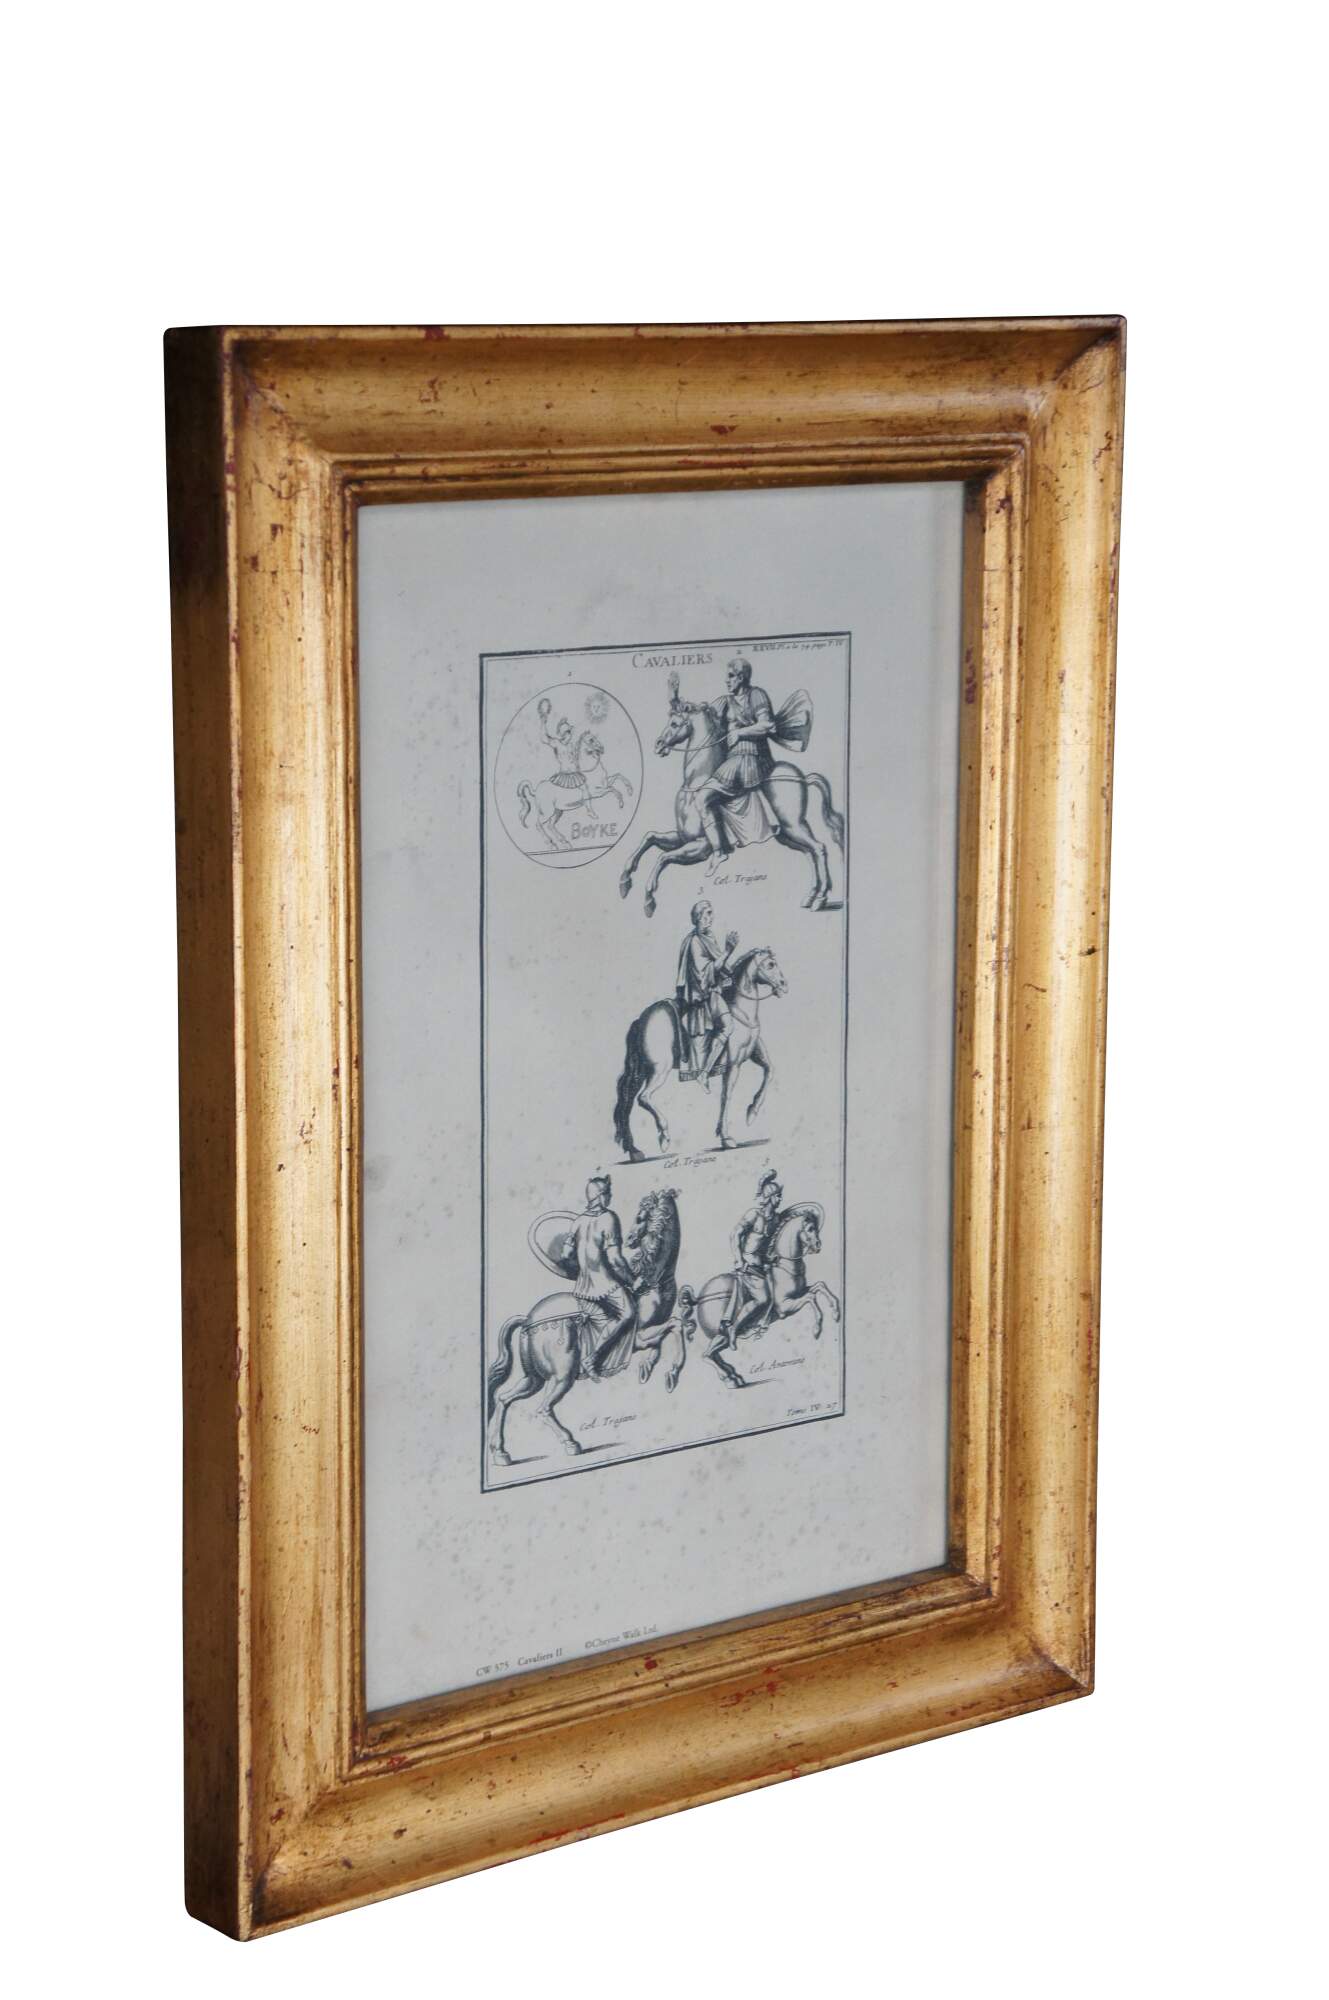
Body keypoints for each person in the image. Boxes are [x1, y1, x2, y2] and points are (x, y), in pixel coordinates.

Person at [671, 658, 807, 857]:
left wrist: (740, 733)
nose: (727, 680)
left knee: (702, 798)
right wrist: (675, 699)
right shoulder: (725, 701)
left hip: (753, 757)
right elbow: (699, 713)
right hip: (733, 759)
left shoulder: (757, 695)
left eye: (731, 676)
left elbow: (767, 725)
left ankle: (719, 852)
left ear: (741, 677)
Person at [571, 1174, 638, 1377]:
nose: (610, 1197)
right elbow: (615, 1259)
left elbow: (565, 1254)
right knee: (629, 1314)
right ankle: (593, 1359)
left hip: (582, 1288)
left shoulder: (578, 1221)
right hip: (604, 1286)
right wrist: (633, 1281)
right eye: (608, 1193)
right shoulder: (609, 1218)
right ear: (600, 1195)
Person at [675, 899, 739, 1080]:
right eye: (707, 914)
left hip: (713, 992)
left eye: (711, 913)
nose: (711, 917)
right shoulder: (695, 941)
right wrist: (728, 952)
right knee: (727, 1027)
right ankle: (703, 1073)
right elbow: (705, 972)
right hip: (701, 998)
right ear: (698, 917)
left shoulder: (708, 936)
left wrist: (726, 976)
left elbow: (719, 966)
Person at [721, 1168, 783, 1344]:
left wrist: (770, 1258)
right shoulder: (754, 1214)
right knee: (763, 1299)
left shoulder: (775, 1220)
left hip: (761, 1266)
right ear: (770, 1197)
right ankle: (734, 1328)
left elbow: (768, 1245)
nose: (780, 1199)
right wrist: (738, 1259)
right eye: (778, 1196)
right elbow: (735, 1235)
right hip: (747, 1265)